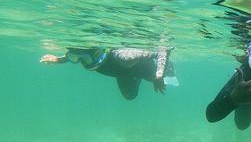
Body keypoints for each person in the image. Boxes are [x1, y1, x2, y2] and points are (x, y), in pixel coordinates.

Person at [40, 47, 177, 100]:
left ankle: (168, 68)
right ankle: (138, 77)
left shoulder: (124, 57)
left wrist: (158, 77)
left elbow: (162, 51)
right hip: (123, 73)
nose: (82, 62)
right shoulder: (88, 56)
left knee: (166, 75)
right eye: (77, 58)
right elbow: (76, 54)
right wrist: (59, 59)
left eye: (85, 58)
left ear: (98, 54)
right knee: (130, 96)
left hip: (144, 68)